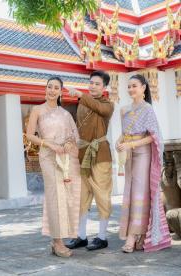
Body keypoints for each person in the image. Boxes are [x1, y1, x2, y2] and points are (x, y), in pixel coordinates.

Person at [116, 74, 171, 253]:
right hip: (128, 154)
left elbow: (153, 136)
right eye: (129, 86)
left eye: (134, 86)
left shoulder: (147, 109)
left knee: (139, 193)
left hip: (142, 153)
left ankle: (133, 237)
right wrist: (119, 141)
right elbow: (124, 132)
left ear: (143, 88)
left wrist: (131, 144)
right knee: (129, 192)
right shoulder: (123, 110)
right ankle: (136, 234)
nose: (131, 89)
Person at [26, 76, 81, 257]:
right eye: (49, 86)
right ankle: (57, 242)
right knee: (54, 195)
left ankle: (58, 239)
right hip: (48, 156)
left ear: (60, 91)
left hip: (64, 158)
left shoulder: (65, 114)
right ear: (46, 88)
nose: (52, 90)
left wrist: (67, 144)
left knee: (65, 196)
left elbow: (74, 135)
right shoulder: (37, 110)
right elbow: (30, 135)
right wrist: (49, 144)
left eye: (56, 87)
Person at [66, 71, 114, 251]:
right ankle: (81, 236)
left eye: (97, 84)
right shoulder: (82, 104)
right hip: (82, 153)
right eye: (91, 83)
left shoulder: (108, 104)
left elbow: (99, 109)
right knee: (81, 196)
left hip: (100, 155)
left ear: (104, 87)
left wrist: (80, 95)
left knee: (102, 195)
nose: (93, 86)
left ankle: (102, 237)